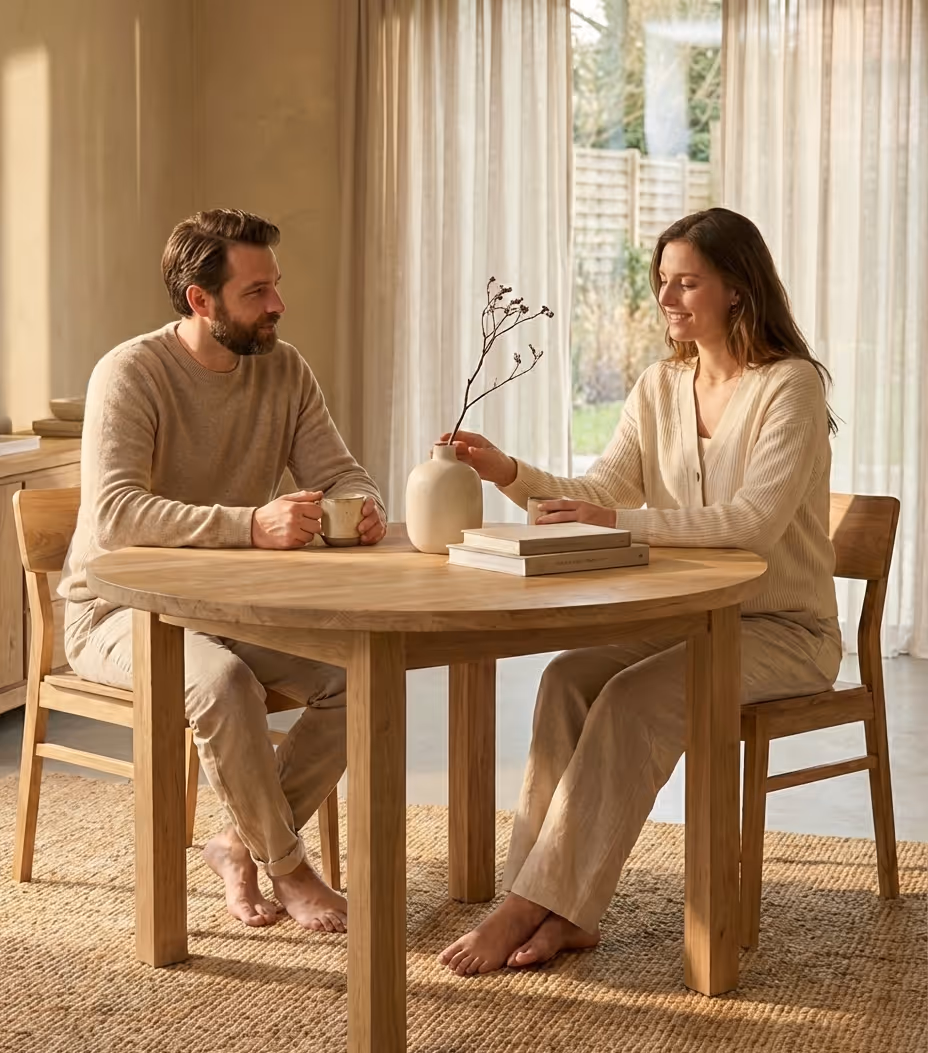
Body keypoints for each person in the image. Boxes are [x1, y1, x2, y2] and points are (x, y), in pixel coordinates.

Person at [438, 207, 842, 975]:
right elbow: (601, 491)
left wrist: (617, 520)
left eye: (687, 282)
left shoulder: (790, 385)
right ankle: (557, 904)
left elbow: (752, 524)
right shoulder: (660, 385)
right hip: (695, 622)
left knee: (631, 699)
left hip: (785, 632)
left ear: (737, 287)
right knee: (566, 676)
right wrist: (508, 472)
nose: (666, 298)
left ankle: (528, 905)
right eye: (663, 281)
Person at [59, 209, 387, 933]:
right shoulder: (131, 373)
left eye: (275, 285)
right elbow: (115, 514)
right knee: (223, 683)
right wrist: (249, 525)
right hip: (116, 613)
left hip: (230, 608)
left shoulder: (285, 368)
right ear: (200, 300)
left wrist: (363, 509)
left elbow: (343, 475)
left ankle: (239, 844)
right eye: (256, 292)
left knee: (360, 675)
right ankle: (290, 870)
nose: (277, 305)